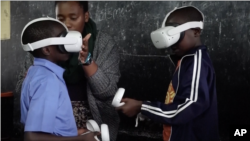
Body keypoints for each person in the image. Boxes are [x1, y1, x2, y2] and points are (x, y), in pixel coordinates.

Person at [117, 6, 220, 141]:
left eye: (176, 35)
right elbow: (177, 105)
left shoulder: (196, 63)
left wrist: (142, 107)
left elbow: (187, 108)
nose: (172, 42)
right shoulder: (185, 61)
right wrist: (150, 114)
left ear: (196, 32)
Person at [20, 18, 99, 141]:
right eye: (63, 39)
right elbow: (32, 138)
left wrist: (75, 133)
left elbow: (49, 125)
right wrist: (82, 140)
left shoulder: (35, 72)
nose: (68, 45)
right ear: (46, 50)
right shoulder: (47, 81)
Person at [55, 1, 120, 140]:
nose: (66, 24)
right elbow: (22, 87)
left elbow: (108, 93)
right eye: (60, 19)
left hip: (94, 124)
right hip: (55, 125)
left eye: (73, 18)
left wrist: (87, 60)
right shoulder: (46, 45)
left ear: (85, 16)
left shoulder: (104, 43)